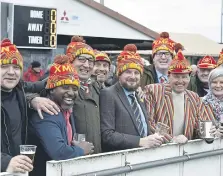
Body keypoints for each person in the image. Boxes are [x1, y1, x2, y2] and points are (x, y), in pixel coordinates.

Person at [0, 39, 60, 173]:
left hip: (18, 170)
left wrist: (64, 73)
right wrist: (5, 162)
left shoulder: (19, 90)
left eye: (16, 67)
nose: (11, 72)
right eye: (4, 66)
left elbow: (38, 85)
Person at [28, 55, 94, 176]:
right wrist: (81, 150)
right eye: (65, 87)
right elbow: (58, 152)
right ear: (52, 89)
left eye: (74, 89)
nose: (71, 92)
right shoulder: (47, 112)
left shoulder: (66, 110)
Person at [100, 44, 163, 152]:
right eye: (128, 72)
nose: (133, 76)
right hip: (121, 161)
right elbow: (107, 135)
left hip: (141, 157)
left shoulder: (138, 96)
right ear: (119, 74)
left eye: (136, 73)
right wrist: (140, 141)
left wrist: (153, 138)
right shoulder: (108, 94)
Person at [144, 45, 205, 143]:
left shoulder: (194, 97)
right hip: (159, 149)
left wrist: (207, 132)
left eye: (184, 77)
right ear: (168, 76)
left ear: (189, 78)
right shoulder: (153, 90)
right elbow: (149, 122)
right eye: (176, 76)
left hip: (185, 150)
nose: (180, 81)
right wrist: (171, 139)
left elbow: (198, 125)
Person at [66, 36, 102, 153]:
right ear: (70, 61)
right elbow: (29, 89)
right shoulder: (58, 84)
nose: (86, 65)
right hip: (73, 156)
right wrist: (34, 100)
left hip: (97, 156)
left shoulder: (97, 87)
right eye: (81, 59)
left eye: (90, 61)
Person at [201, 68, 223, 137]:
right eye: (214, 82)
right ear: (209, 84)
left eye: (222, 82)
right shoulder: (202, 103)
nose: (218, 85)